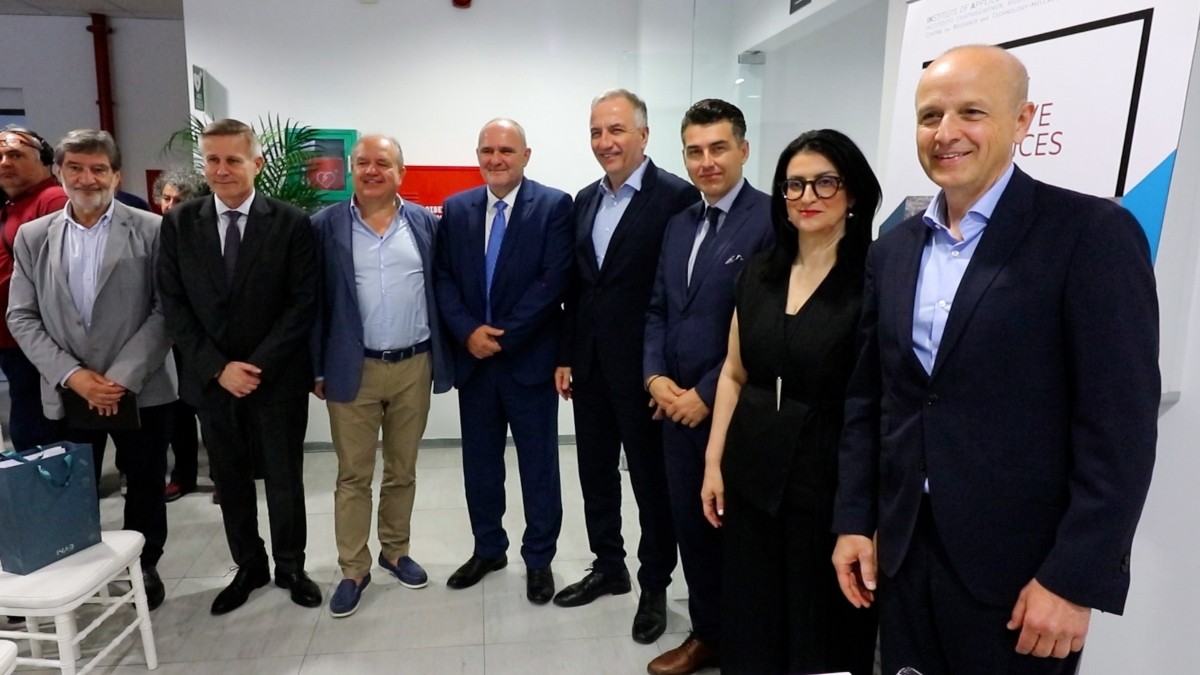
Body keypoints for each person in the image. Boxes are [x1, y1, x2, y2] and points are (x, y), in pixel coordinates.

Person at [831, 45, 1159, 675]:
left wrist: (1073, 579)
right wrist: (853, 519)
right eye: (930, 116)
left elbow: (1119, 426)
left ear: (1022, 120)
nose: (946, 132)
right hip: (903, 552)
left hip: (1023, 576)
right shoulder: (893, 249)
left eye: (972, 112)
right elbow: (871, 399)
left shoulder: (1090, 234)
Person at [700, 129, 881, 674]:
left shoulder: (875, 278)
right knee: (753, 617)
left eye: (825, 182)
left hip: (829, 479)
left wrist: (866, 512)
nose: (807, 196)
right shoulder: (759, 272)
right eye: (794, 184)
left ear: (853, 192)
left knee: (820, 627)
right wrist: (714, 462)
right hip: (752, 470)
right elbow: (734, 373)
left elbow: (879, 401)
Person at [157, 118, 321, 616]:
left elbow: (302, 303)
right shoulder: (180, 224)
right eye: (212, 160)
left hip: (276, 379)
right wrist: (218, 367)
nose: (222, 169)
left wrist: (255, 365)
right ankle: (249, 565)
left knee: (284, 478)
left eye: (233, 159)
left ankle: (291, 566)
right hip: (213, 382)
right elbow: (173, 304)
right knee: (229, 480)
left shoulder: (291, 223)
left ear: (257, 163)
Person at [7, 129, 175, 610]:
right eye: (76, 168)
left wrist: (122, 377)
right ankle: (79, 566)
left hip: (140, 386)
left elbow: (167, 310)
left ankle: (144, 564)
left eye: (99, 169)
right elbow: (21, 315)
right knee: (71, 485)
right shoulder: (33, 236)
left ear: (116, 175)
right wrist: (74, 376)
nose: (87, 179)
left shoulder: (152, 230)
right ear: (59, 173)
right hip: (68, 388)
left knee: (144, 481)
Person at [552, 89, 696, 644]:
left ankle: (654, 583)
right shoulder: (585, 200)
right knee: (595, 474)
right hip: (589, 367)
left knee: (651, 484)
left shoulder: (676, 198)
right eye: (596, 132)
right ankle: (608, 566)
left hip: (645, 372)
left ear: (643, 134)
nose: (604, 142)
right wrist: (567, 353)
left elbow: (678, 296)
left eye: (615, 130)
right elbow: (579, 287)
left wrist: (667, 375)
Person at [642, 98, 774, 675]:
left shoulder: (771, 220)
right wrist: (656, 379)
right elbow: (658, 309)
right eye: (694, 151)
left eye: (719, 148)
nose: (706, 161)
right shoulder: (680, 224)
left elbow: (767, 326)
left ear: (743, 149)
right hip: (675, 412)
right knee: (692, 530)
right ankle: (708, 635)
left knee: (738, 536)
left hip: (736, 412)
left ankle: (747, 642)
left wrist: (704, 392)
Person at [311, 134, 453, 617]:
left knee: (402, 469)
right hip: (354, 368)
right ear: (352, 169)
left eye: (383, 163)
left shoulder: (424, 223)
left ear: (400, 173)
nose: (372, 170)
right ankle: (354, 568)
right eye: (363, 162)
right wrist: (317, 366)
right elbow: (315, 302)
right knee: (353, 475)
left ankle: (395, 551)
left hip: (414, 364)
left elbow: (440, 288)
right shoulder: (325, 225)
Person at [434, 118, 572, 605]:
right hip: (475, 363)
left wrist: (503, 336)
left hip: (528, 361)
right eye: (487, 150)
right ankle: (488, 548)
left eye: (506, 150)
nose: (495, 159)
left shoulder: (554, 206)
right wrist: (467, 332)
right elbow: (443, 278)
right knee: (480, 466)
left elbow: (553, 281)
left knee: (539, 468)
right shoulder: (457, 208)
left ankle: (539, 559)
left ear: (526, 155)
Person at [0, 125, 67, 450]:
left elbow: (60, 278)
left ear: (45, 161)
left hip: (34, 341)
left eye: (15, 154)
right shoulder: (14, 204)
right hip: (13, 339)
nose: (4, 162)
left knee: (36, 434)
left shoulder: (52, 200)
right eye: (0, 156)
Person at [152, 167, 211, 503]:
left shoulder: (205, 234)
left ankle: (223, 476)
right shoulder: (153, 231)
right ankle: (183, 476)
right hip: (163, 340)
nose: (170, 206)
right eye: (166, 198)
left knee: (208, 410)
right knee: (177, 414)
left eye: (179, 200)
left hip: (198, 338)